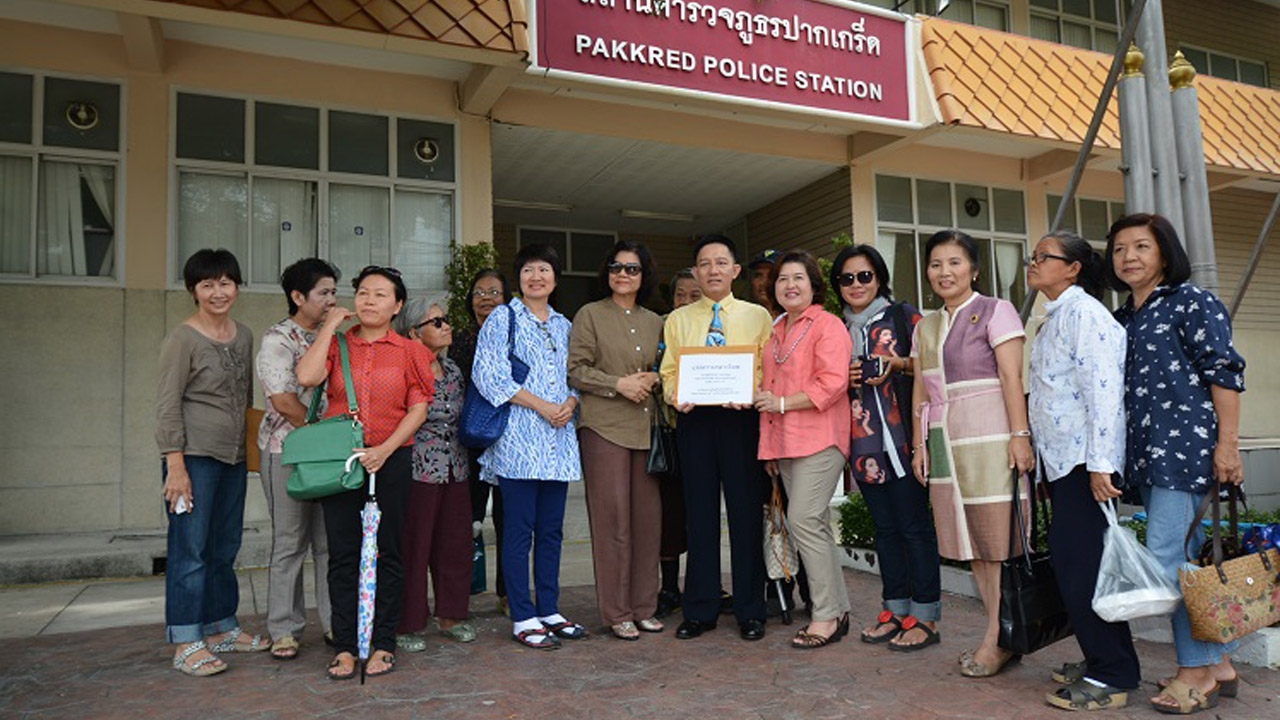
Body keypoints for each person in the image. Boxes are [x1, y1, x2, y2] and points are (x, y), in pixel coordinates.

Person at [1105, 213, 1246, 715]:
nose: (1129, 257)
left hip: (1186, 454)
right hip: (1145, 456)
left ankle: (1196, 674)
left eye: (1141, 246)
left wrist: (1228, 447)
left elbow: (1224, 374)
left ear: (1164, 252)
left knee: (1173, 563)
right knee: (1183, 559)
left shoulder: (1192, 302)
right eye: (1120, 249)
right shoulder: (1123, 317)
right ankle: (1220, 664)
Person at [296, 265, 434, 681]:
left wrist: (386, 449)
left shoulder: (411, 351)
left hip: (392, 460)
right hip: (343, 460)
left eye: (379, 294)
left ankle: (383, 643)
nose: (369, 301)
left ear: (397, 305)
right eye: (362, 293)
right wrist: (330, 326)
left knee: (389, 552)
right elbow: (306, 377)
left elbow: (419, 407)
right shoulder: (338, 344)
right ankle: (345, 646)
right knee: (343, 554)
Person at [910, 229, 1034, 678]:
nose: (945, 272)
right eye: (936, 264)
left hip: (988, 433)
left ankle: (998, 637)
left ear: (974, 269)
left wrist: (1019, 434)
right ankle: (998, 630)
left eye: (955, 262)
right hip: (943, 438)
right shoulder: (925, 325)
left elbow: (1010, 376)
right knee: (971, 544)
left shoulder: (996, 310)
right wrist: (919, 446)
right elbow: (921, 388)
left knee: (995, 540)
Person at [1026, 232, 1139, 711]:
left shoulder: (1085, 315)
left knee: (1086, 573)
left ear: (1072, 268)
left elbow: (1104, 395)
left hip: (1083, 464)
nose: (1032, 264)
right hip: (1062, 463)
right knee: (1078, 570)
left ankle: (1112, 674)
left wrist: (1100, 466)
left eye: (1043, 257)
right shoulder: (1054, 317)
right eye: (1032, 257)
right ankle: (1103, 660)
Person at [156, 248, 269, 676]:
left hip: (233, 457)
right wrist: (175, 465)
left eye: (225, 282)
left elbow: (244, 399)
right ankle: (186, 640)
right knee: (190, 552)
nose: (218, 292)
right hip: (193, 460)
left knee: (224, 548)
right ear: (193, 291)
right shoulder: (182, 339)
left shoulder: (242, 335)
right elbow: (167, 405)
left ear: (236, 286)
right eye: (207, 284)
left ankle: (222, 626)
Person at [661, 235, 773, 642]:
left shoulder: (757, 316)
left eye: (720, 263)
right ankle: (700, 609)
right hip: (695, 423)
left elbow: (766, 369)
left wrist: (749, 390)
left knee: (745, 516)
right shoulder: (678, 320)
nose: (712, 270)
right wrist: (678, 397)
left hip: (741, 422)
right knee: (701, 516)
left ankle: (750, 610)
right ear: (695, 271)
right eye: (704, 264)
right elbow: (669, 371)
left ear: (734, 271)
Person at [473, 244, 585, 650]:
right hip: (519, 442)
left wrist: (570, 403)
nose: (536, 277)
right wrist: (542, 406)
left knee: (551, 530)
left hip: (557, 441)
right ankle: (522, 614)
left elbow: (577, 373)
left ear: (555, 278)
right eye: (528, 271)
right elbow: (490, 377)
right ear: (517, 278)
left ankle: (550, 608)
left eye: (544, 270)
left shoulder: (564, 324)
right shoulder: (503, 318)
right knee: (518, 532)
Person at [832, 244, 941, 652]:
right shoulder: (837, 331)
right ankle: (895, 609)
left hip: (904, 441)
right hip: (864, 446)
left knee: (915, 528)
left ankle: (926, 615)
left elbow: (934, 363)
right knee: (886, 531)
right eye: (847, 278)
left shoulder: (902, 316)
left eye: (864, 276)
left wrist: (895, 365)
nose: (856, 285)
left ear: (879, 278)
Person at [753, 251, 853, 649]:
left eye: (799, 278)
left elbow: (832, 383)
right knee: (815, 526)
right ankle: (839, 609)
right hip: (786, 442)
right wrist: (770, 449)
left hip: (821, 438)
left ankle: (825, 615)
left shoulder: (828, 325)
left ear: (814, 285)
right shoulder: (776, 328)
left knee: (804, 520)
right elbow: (766, 387)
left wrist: (780, 404)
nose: (790, 285)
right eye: (782, 279)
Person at [568, 240, 665, 640]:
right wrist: (618, 384)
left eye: (632, 269)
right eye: (616, 267)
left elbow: (667, 366)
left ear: (644, 276)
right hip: (604, 427)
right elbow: (577, 369)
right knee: (613, 524)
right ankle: (617, 611)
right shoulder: (590, 315)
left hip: (645, 431)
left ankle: (644, 606)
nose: (623, 275)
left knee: (647, 524)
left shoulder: (657, 320)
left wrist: (655, 377)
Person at [255, 258, 339, 661]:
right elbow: (285, 402)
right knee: (289, 543)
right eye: (323, 292)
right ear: (297, 296)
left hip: (328, 454)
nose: (331, 300)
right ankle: (284, 629)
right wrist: (324, 436)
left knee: (328, 544)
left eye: (333, 292)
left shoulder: (334, 336)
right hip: (286, 451)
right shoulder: (278, 339)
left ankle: (333, 622)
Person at [392, 295, 476, 652]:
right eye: (436, 322)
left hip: (455, 467)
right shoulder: (405, 368)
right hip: (418, 467)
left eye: (446, 320)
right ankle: (408, 623)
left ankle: (452, 615)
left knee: (454, 544)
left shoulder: (453, 369)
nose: (446, 327)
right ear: (414, 332)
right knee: (415, 545)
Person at [449, 269, 511, 612]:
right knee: (466, 520)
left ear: (507, 299)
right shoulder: (458, 340)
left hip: (507, 439)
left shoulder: (516, 338)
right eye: (478, 292)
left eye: (494, 292)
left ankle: (506, 594)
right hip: (469, 440)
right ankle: (462, 595)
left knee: (507, 518)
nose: (485, 298)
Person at [656, 267, 699, 619]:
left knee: (700, 516)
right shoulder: (661, 328)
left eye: (694, 295)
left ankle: (704, 584)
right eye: (680, 295)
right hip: (669, 432)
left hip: (706, 432)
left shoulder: (715, 329)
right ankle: (669, 587)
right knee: (670, 516)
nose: (685, 302)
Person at [748, 248, 782, 317]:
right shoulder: (744, 318)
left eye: (771, 276)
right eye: (758, 275)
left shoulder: (798, 318)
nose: (763, 282)